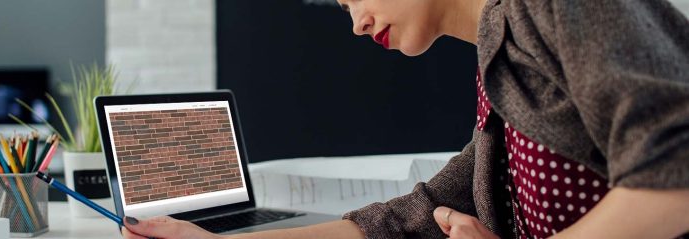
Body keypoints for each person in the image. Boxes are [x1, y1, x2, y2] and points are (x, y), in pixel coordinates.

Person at [121, 0, 689, 238]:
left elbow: (676, 170)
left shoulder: (557, 7)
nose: (357, 24)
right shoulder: (498, 61)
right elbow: (405, 221)